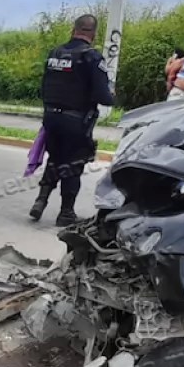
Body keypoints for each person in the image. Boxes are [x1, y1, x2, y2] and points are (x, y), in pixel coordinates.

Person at [30, 14, 114, 227]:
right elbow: (103, 97)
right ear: (93, 34)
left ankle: (41, 200)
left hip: (51, 117)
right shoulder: (91, 57)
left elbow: (44, 86)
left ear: (73, 29)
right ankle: (66, 213)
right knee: (73, 165)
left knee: (55, 159)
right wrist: (113, 95)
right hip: (76, 121)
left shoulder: (55, 53)